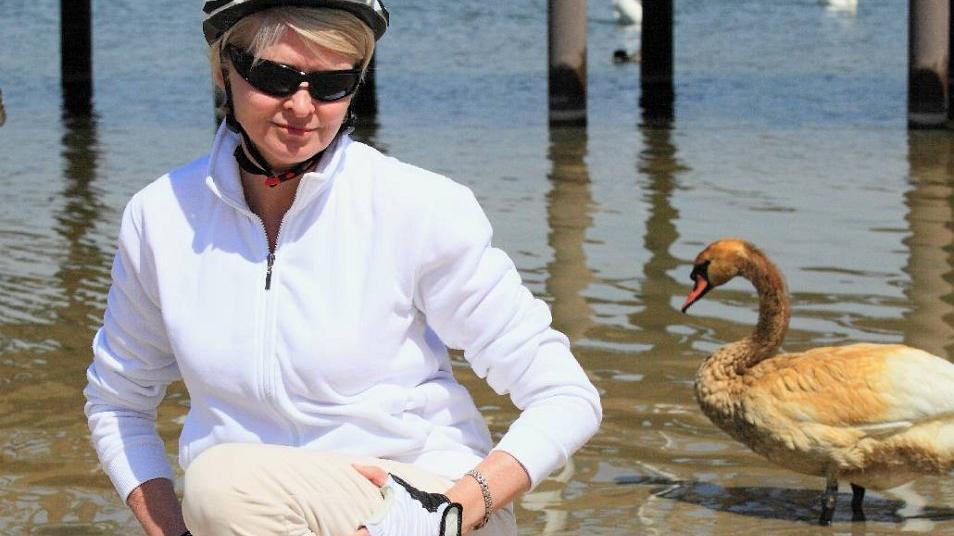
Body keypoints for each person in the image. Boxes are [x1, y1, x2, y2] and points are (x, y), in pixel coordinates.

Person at [83, 1, 602, 535]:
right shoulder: (158, 217)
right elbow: (118, 403)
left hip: (431, 510)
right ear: (223, 70)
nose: (301, 106)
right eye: (275, 77)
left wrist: (444, 514)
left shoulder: (419, 207)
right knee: (221, 490)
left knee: (221, 485)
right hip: (249, 517)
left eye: (332, 84)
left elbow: (566, 395)